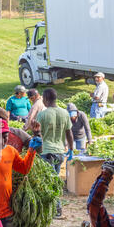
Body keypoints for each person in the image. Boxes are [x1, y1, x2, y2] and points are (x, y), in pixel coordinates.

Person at [35, 88, 74, 217]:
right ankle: (55, 208)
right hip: (60, 152)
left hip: (47, 152)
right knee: (55, 179)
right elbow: (69, 133)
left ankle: (55, 209)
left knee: (50, 182)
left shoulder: (43, 114)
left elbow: (37, 133)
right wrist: (71, 150)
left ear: (45, 99)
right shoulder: (64, 113)